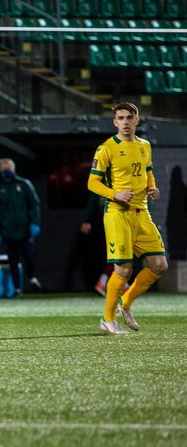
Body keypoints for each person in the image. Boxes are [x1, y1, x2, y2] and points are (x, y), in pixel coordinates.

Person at [87, 102, 168, 335]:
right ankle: (107, 319)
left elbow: (147, 171)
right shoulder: (106, 148)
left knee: (159, 265)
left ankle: (126, 303)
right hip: (117, 213)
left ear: (137, 120)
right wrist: (115, 194)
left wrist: (153, 188)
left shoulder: (145, 146)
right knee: (123, 269)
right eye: (120, 118)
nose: (124, 122)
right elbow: (92, 183)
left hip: (142, 212)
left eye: (129, 118)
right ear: (115, 122)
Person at [0, 158, 42, 297]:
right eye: (3, 168)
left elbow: (34, 204)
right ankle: (17, 288)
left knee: (29, 255)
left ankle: (31, 277)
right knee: (13, 260)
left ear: (13, 168)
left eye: (8, 167)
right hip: (8, 232)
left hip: (25, 229)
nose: (5, 170)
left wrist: (35, 222)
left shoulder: (24, 184)